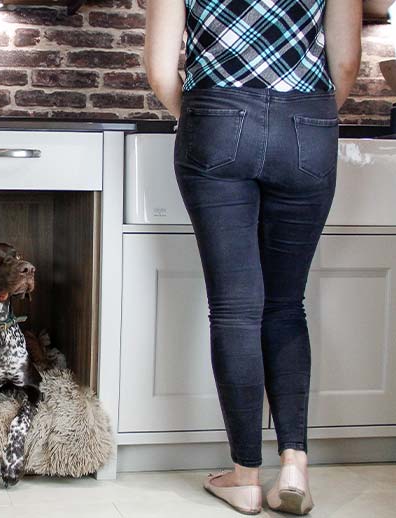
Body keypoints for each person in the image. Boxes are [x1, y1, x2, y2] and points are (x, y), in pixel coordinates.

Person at [144, 0, 361, 515]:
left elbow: (158, 70)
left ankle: (243, 476)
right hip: (308, 119)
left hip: (215, 116)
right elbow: (346, 64)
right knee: (287, 305)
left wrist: (204, 120)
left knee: (236, 309)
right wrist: (307, 118)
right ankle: (295, 466)